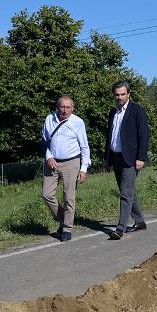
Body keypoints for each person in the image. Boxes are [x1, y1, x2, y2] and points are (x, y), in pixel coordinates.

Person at [41, 95, 91, 242]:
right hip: (52, 161)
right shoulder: (49, 119)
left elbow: (84, 147)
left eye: (68, 107)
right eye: (62, 107)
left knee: (69, 197)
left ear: (72, 109)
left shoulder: (78, 122)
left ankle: (67, 228)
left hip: (71, 162)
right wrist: (48, 157)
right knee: (46, 194)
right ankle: (65, 219)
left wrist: (84, 169)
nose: (65, 110)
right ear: (57, 107)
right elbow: (44, 141)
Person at [105, 80, 149, 240]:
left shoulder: (137, 111)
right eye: (117, 95)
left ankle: (120, 228)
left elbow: (143, 135)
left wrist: (141, 157)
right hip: (116, 157)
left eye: (123, 94)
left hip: (131, 159)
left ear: (128, 94)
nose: (120, 97)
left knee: (125, 193)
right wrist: (107, 159)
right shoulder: (113, 113)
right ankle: (140, 221)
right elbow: (109, 137)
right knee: (129, 191)